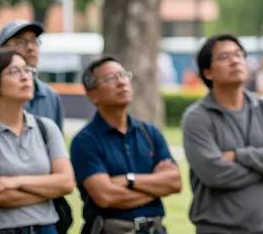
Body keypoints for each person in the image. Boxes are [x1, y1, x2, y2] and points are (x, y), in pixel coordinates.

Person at [182, 34, 263, 234]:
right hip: (217, 230)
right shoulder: (197, 118)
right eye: (224, 57)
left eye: (239, 55)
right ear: (207, 72)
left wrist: (238, 156)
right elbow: (215, 173)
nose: (235, 61)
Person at [70, 55, 181, 234]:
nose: (122, 82)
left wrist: (128, 180)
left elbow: (174, 183)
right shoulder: (85, 141)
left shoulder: (149, 133)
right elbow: (105, 196)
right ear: (93, 95)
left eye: (123, 75)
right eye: (111, 78)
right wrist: (155, 188)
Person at [0, 48, 74, 234]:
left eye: (27, 70)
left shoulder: (46, 128)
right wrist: (49, 189)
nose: (26, 77)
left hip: (47, 228)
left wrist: (14, 182)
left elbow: (66, 183)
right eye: (14, 72)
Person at [0, 20, 64, 131]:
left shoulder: (51, 97)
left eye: (34, 41)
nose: (30, 47)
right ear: (2, 50)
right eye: (20, 42)